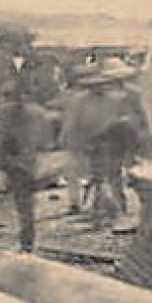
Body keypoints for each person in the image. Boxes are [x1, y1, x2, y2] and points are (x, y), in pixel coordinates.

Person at [58, 62, 144, 219]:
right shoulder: (79, 101)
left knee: (114, 174)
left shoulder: (114, 100)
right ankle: (100, 207)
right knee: (96, 175)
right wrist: (71, 139)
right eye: (94, 85)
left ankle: (118, 205)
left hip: (111, 140)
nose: (98, 88)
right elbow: (72, 122)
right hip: (90, 140)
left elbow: (122, 119)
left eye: (101, 84)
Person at [0, 66, 53, 253]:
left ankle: (26, 241)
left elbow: (3, 140)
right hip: (30, 160)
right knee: (26, 203)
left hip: (17, 161)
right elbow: (47, 142)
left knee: (23, 203)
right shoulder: (40, 113)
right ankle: (27, 239)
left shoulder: (5, 112)